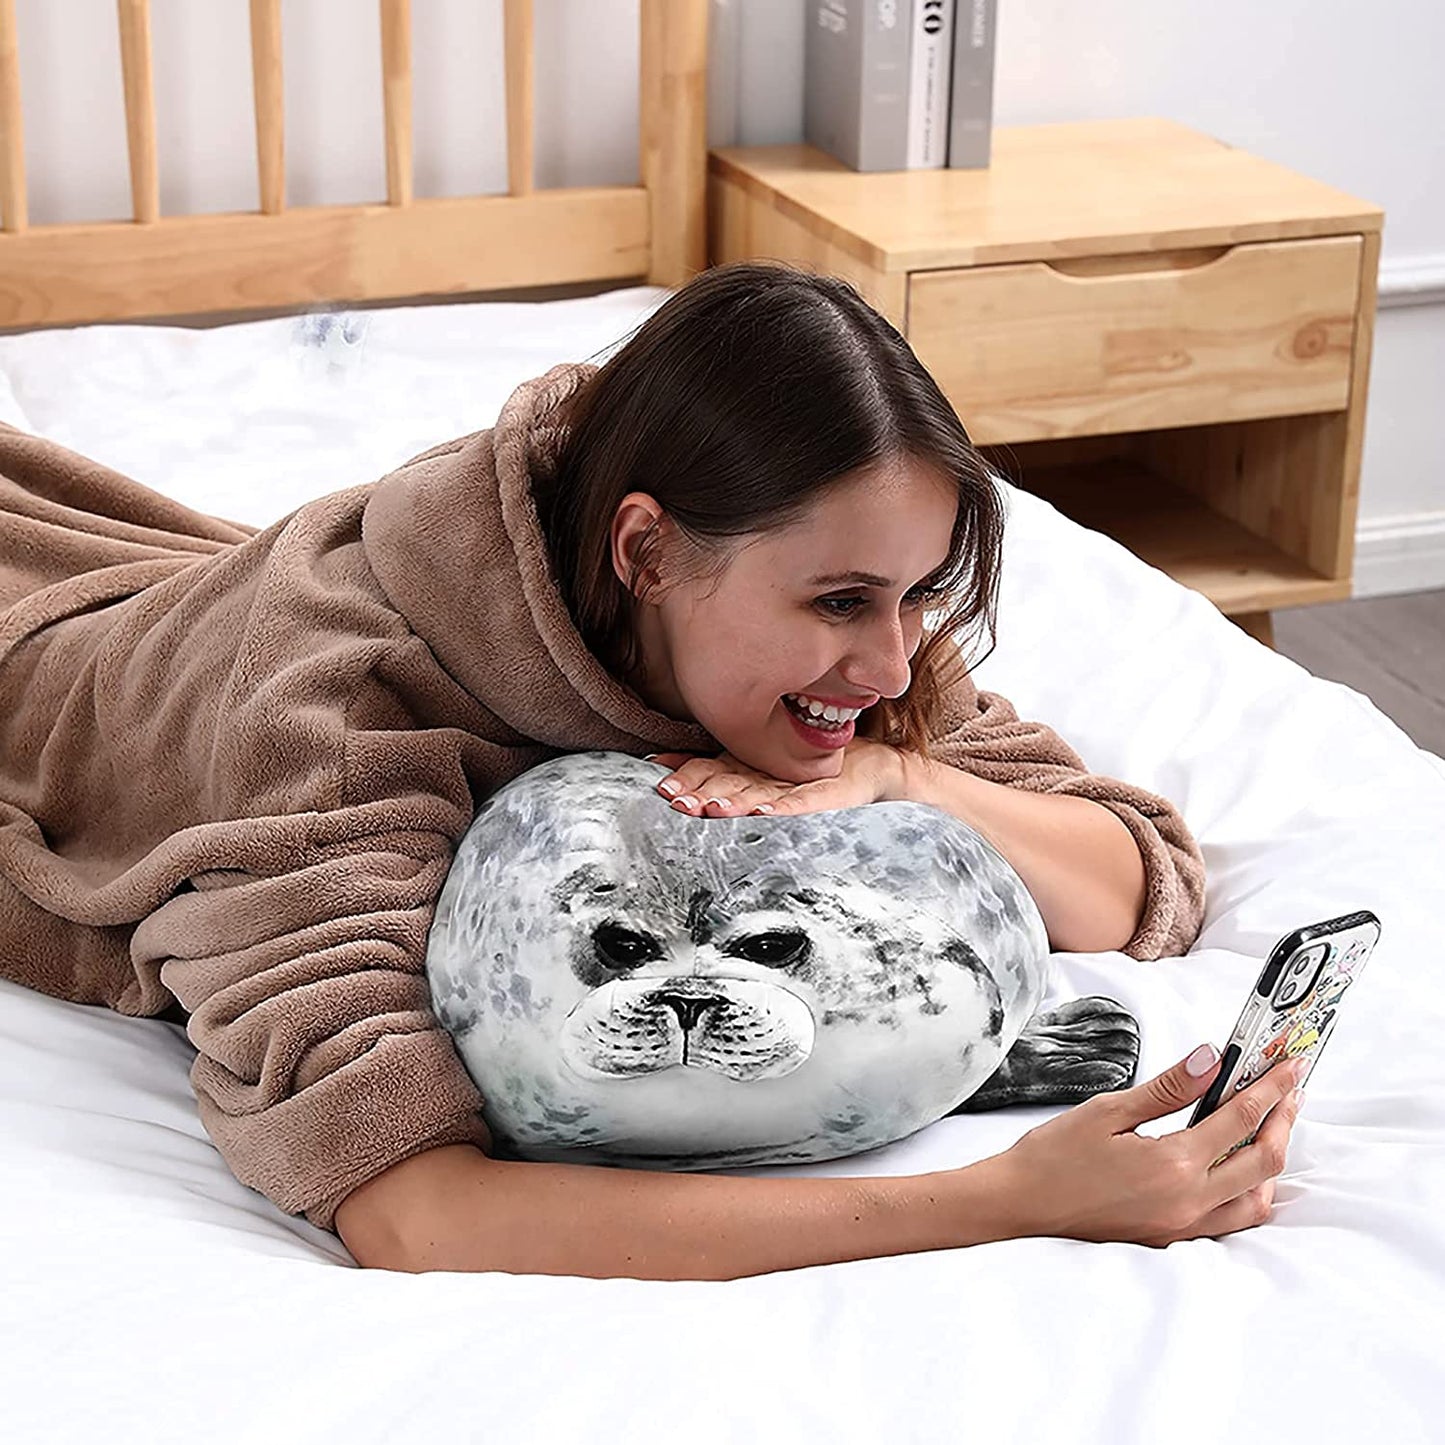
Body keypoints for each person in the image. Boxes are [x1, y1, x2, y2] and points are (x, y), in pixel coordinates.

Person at [0, 261, 1303, 1279]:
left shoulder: (823, 628)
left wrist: (907, 784)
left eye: (919, 598)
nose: (897, 665)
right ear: (644, 552)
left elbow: (1133, 886)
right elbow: (410, 1206)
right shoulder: (326, 715)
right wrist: (1001, 1200)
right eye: (845, 600)